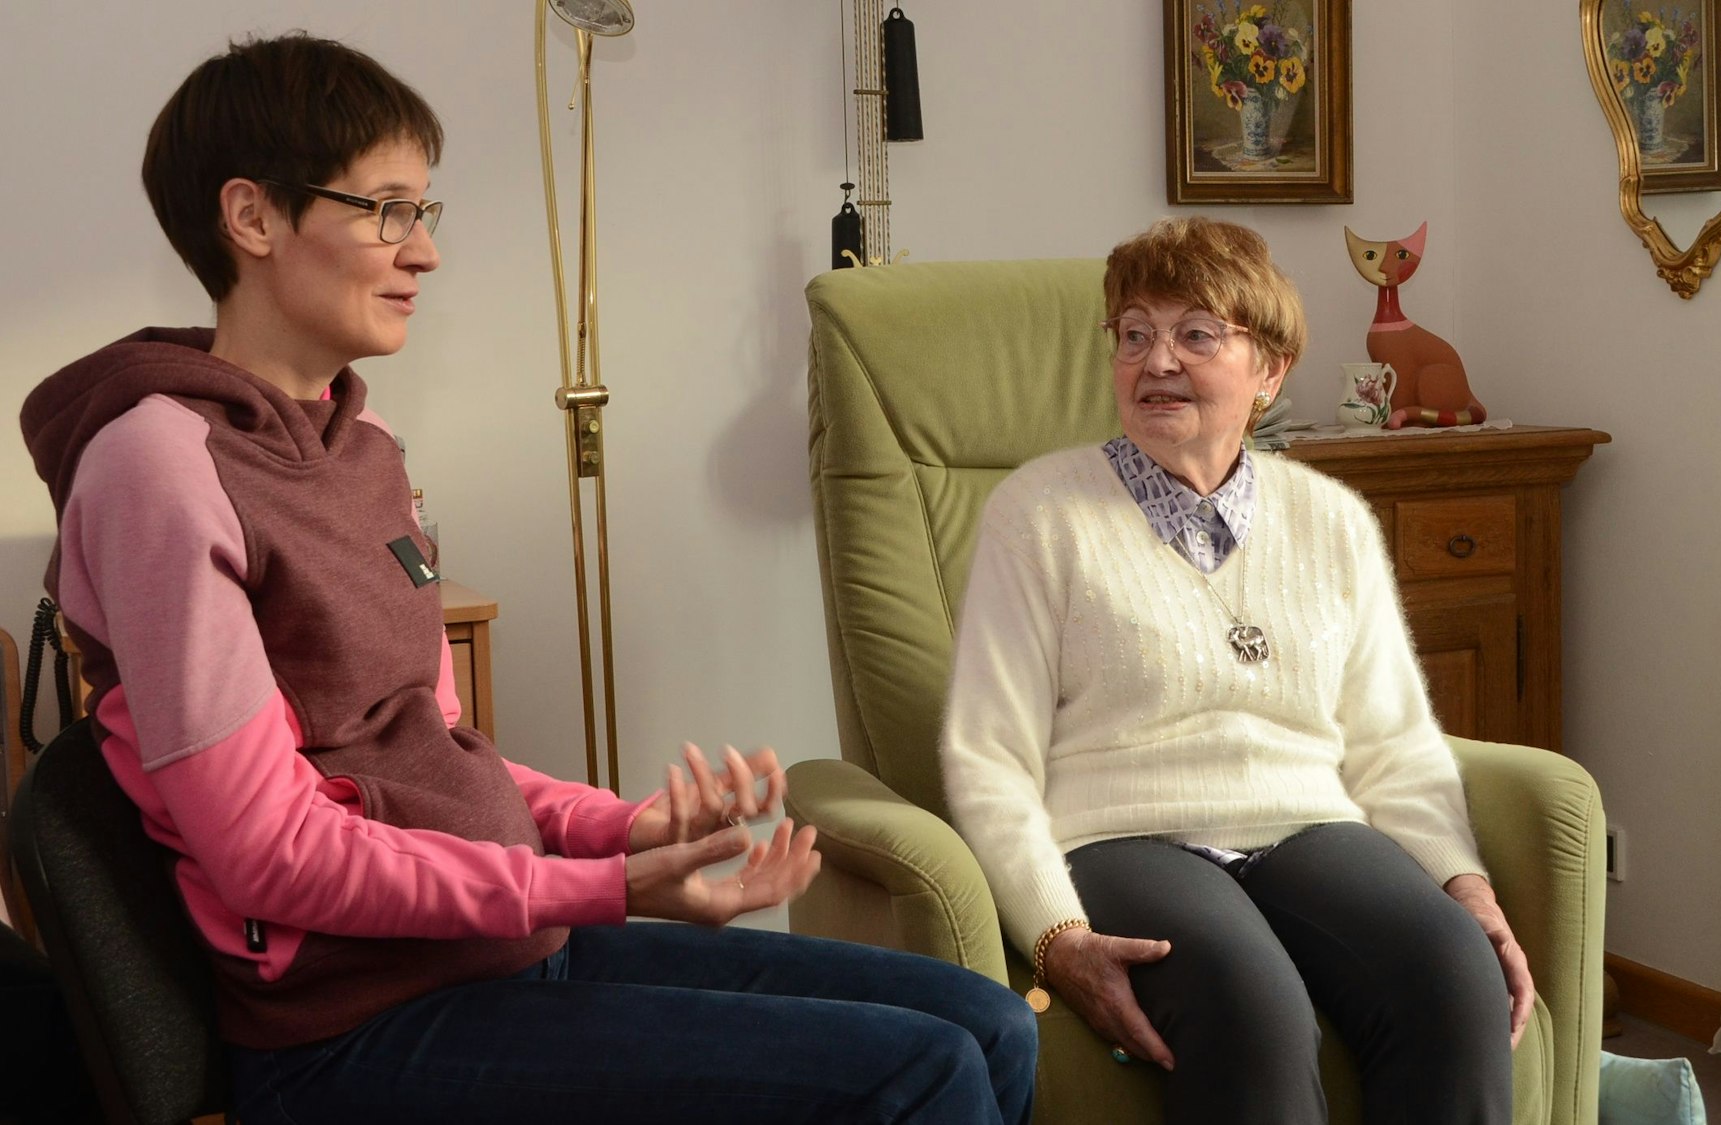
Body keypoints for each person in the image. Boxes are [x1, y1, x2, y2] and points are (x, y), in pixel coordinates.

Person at [19, 33, 1033, 1125]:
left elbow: (435, 751)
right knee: (919, 1073)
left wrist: (624, 828)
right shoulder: (158, 467)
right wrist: (600, 887)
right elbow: (269, 856)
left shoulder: (366, 451)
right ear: (254, 218)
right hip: (355, 1031)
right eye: (386, 210)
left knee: (989, 1023)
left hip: (501, 955)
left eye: (425, 213)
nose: (424, 253)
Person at [939, 217, 1532, 1123]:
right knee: (1255, 1009)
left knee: (1454, 975)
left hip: (1307, 823)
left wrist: (1465, 885)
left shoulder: (1330, 518)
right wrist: (1055, 936)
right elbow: (989, 756)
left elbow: (1394, 742)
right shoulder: (1040, 514)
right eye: (1134, 333)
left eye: (1197, 334)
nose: (1157, 359)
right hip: (1121, 833)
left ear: (1270, 370)